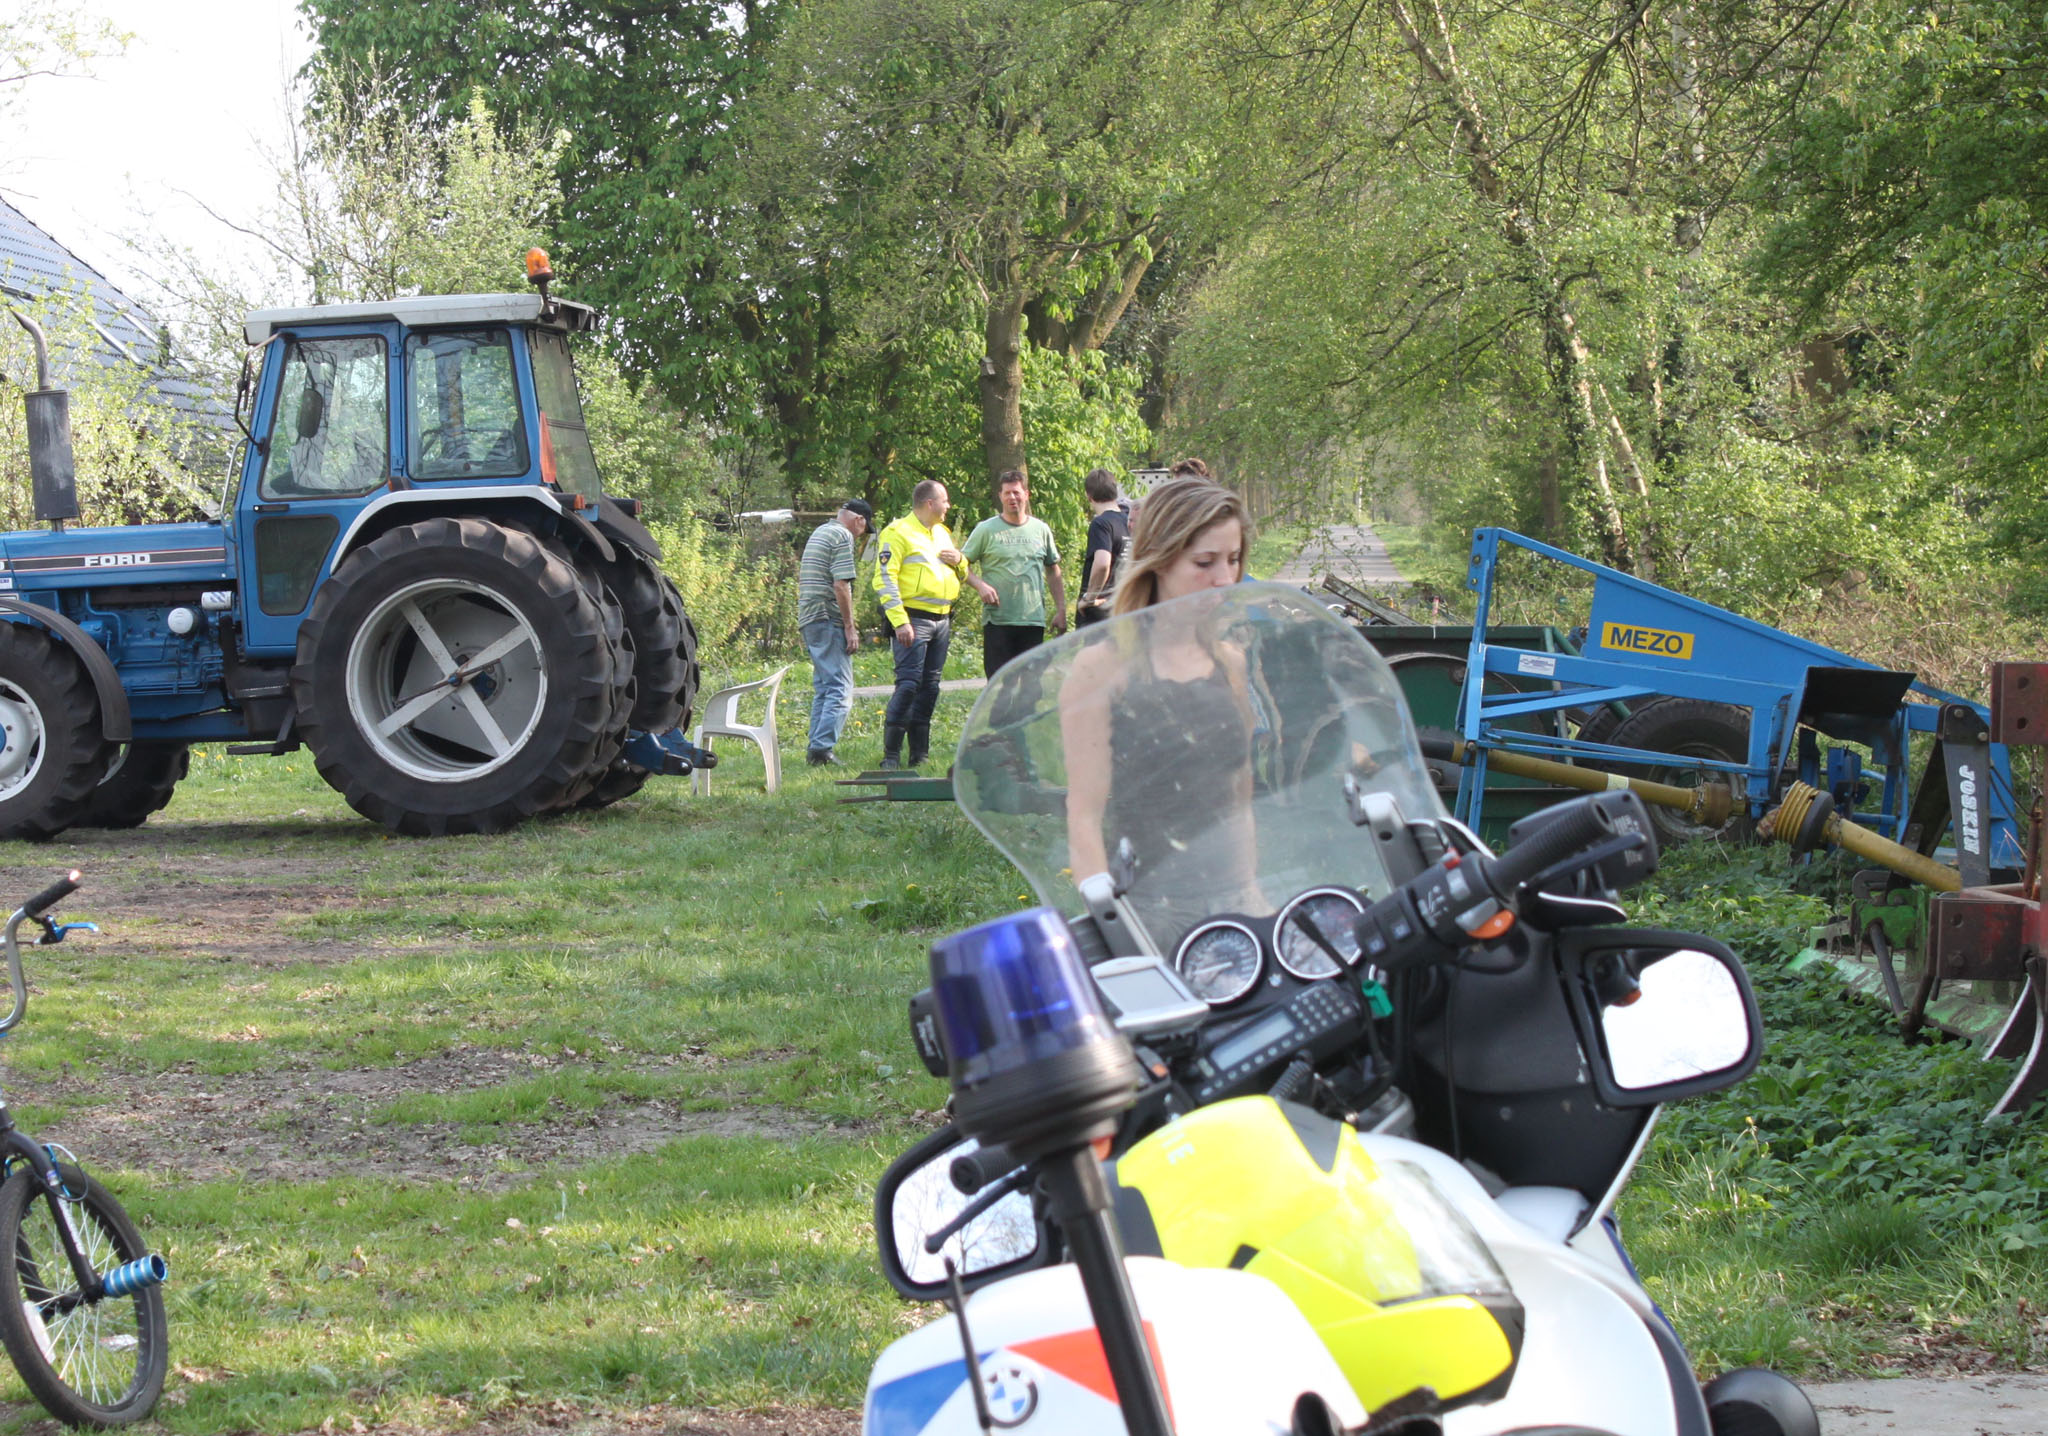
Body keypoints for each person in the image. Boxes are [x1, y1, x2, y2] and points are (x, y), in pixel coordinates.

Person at [1059, 476, 1258, 942]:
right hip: (1147, 906)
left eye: (1233, 560)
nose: (1225, 579)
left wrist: (1251, 891)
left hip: (1231, 903)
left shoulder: (1231, 662)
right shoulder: (1101, 669)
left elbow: (1241, 793)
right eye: (1204, 562)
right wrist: (1111, 929)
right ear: (1158, 561)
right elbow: (1083, 814)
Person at [874, 480, 970, 770]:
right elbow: (884, 579)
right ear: (930, 503)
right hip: (913, 619)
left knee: (930, 687)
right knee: (908, 685)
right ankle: (891, 756)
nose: (949, 506)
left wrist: (961, 560)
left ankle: (920, 753)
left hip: (942, 619)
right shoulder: (897, 533)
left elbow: (961, 573)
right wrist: (900, 622)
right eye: (945, 501)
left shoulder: (942, 533)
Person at [963, 468, 1067, 676]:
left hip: (1031, 620)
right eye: (1007, 493)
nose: (1012, 497)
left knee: (1030, 688)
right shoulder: (986, 530)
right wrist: (980, 586)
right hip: (998, 620)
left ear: (1026, 495)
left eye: (1017, 492)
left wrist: (1061, 609)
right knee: (1000, 686)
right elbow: (960, 565)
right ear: (1000, 496)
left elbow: (1053, 569)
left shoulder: (1041, 529)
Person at [796, 499, 873, 766]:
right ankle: (822, 750)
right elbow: (841, 585)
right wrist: (850, 626)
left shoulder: (821, 531)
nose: (861, 534)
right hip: (827, 617)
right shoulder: (842, 535)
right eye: (864, 529)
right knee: (840, 688)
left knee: (824, 687)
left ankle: (816, 750)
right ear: (859, 520)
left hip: (809, 616)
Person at [1073, 467, 1129, 629]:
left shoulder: (1101, 523)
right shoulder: (1127, 522)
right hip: (1121, 605)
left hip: (1098, 610)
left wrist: (1089, 598)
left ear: (1088, 496)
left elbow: (1103, 563)